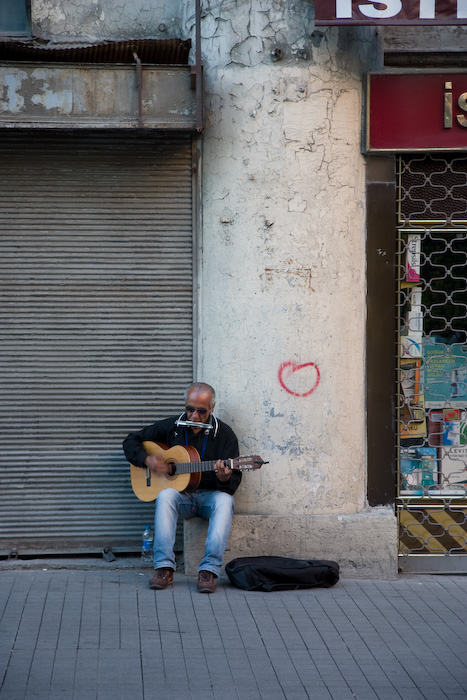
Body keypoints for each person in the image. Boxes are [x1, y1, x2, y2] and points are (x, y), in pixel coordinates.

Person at [123, 382, 240, 593]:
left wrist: (224, 478)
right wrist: (147, 460)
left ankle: (208, 571)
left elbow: (233, 485)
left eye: (201, 411)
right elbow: (131, 440)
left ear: (211, 408)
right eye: (190, 409)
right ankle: (164, 568)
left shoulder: (224, 435)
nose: (194, 416)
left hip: (208, 498)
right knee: (166, 494)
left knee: (226, 501)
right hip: (181, 498)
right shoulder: (173, 427)